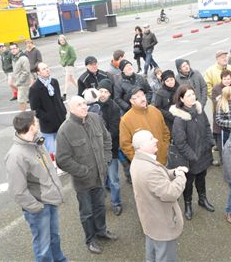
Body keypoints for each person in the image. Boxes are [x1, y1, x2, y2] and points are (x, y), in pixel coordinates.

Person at [56, 96, 116, 254]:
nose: (84, 107)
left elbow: (106, 138)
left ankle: (101, 231)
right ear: (71, 109)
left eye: (84, 103)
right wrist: (82, 171)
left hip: (100, 176)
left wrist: (106, 159)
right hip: (83, 182)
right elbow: (62, 160)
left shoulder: (95, 118)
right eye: (79, 105)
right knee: (87, 212)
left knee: (100, 206)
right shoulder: (65, 130)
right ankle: (91, 239)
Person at [4, 111, 67, 262]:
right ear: (31, 127)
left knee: (54, 237)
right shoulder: (16, 155)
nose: (38, 123)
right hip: (38, 207)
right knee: (43, 247)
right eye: (36, 121)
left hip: (49, 200)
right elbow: (17, 191)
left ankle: (60, 260)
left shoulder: (37, 143)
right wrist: (36, 207)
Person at [130, 130, 187, 262]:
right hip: (162, 223)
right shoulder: (149, 169)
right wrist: (181, 177)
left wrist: (173, 172)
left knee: (153, 253)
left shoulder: (139, 161)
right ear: (142, 146)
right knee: (165, 256)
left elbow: (160, 176)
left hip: (151, 221)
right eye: (151, 139)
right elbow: (171, 193)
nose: (156, 140)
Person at [170, 85, 215, 220]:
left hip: (204, 153)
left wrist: (210, 142)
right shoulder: (180, 119)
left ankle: (202, 199)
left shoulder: (199, 111)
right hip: (190, 158)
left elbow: (207, 127)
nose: (192, 97)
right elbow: (180, 143)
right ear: (181, 99)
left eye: (193, 94)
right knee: (188, 183)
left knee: (202, 178)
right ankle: (188, 205)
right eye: (188, 95)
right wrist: (193, 156)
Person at [119, 87, 170, 164]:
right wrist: (139, 161)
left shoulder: (155, 111)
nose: (142, 99)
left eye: (143, 95)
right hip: (145, 165)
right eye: (137, 97)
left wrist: (164, 148)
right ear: (131, 101)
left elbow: (165, 132)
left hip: (163, 160)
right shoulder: (126, 120)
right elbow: (125, 145)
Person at [29, 62, 66, 159]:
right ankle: (53, 169)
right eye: (44, 69)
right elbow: (35, 109)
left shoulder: (54, 82)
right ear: (38, 73)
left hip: (61, 120)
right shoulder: (35, 88)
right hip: (48, 125)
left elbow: (59, 99)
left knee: (64, 146)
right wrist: (47, 117)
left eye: (47, 67)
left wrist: (63, 111)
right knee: (51, 151)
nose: (47, 70)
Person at [97, 79, 123, 215]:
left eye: (106, 92)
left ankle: (116, 202)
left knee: (114, 179)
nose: (102, 94)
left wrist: (101, 141)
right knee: (101, 178)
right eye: (100, 91)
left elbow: (114, 130)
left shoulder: (114, 108)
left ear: (110, 93)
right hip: (96, 151)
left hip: (110, 149)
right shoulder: (93, 106)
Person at [211, 70, 231, 157]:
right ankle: (223, 159)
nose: (227, 81)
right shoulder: (216, 88)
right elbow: (215, 102)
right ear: (221, 79)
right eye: (225, 79)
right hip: (222, 120)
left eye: (229, 79)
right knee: (222, 142)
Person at [10, 43, 31, 111]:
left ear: (18, 48)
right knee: (24, 99)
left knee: (21, 100)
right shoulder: (15, 58)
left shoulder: (23, 58)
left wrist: (19, 82)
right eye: (11, 49)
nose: (13, 50)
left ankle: (23, 114)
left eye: (14, 48)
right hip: (19, 82)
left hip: (23, 83)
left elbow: (26, 72)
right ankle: (25, 114)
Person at [58, 35, 77, 101]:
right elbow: (61, 56)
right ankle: (81, 89)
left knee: (67, 79)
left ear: (65, 40)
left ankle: (64, 94)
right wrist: (62, 62)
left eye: (63, 40)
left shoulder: (69, 47)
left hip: (70, 66)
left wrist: (68, 63)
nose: (62, 41)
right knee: (72, 80)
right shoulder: (60, 48)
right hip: (65, 66)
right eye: (60, 40)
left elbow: (74, 57)